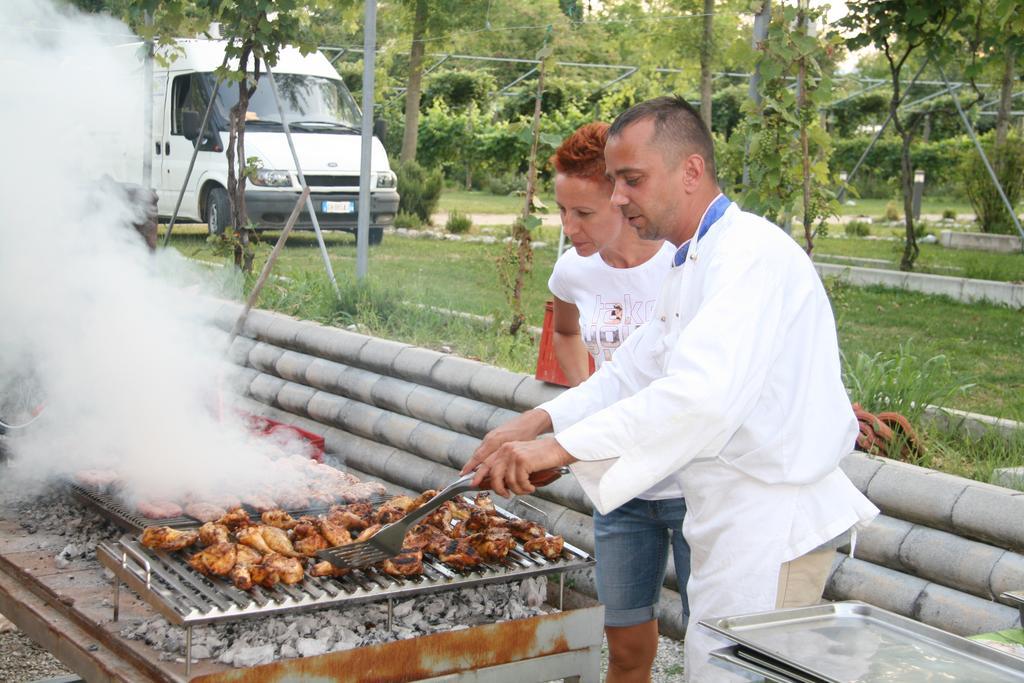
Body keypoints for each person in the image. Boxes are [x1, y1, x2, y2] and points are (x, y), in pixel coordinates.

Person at [463, 96, 878, 682]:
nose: (619, 197)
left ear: (690, 171)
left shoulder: (747, 257)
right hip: (732, 516)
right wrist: (538, 422)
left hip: (771, 521)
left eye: (632, 180)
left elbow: (698, 396)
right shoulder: (694, 260)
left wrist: (557, 450)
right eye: (614, 181)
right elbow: (635, 370)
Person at [548, 122, 687, 682]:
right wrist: (586, 399)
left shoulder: (680, 264)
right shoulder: (572, 270)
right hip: (620, 481)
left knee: (712, 640)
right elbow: (564, 332)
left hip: (691, 482)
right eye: (560, 211)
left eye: (582, 213)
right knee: (626, 648)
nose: (568, 227)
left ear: (623, 198)